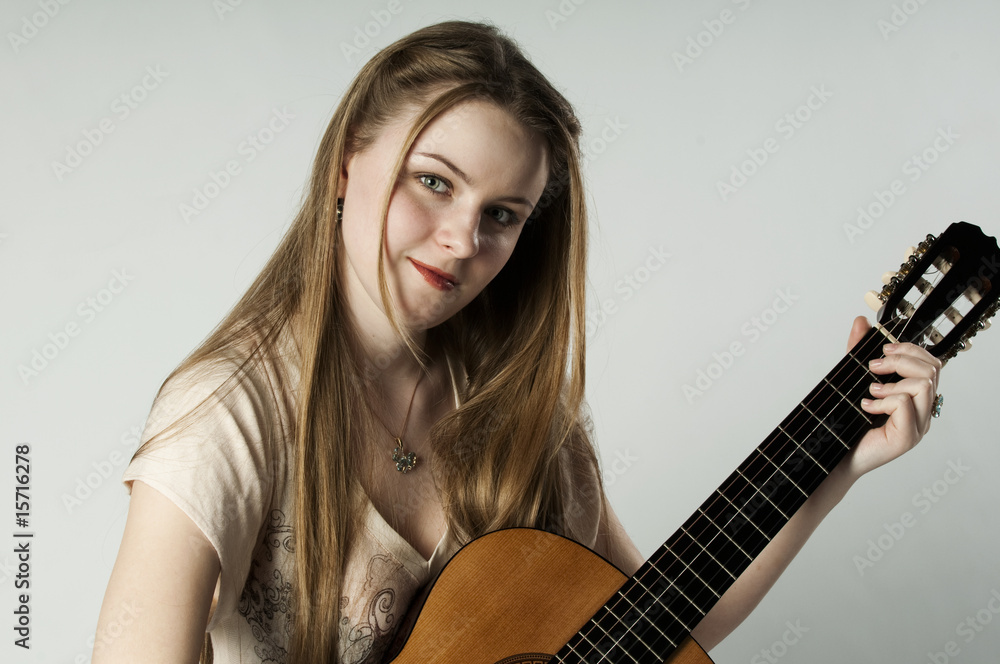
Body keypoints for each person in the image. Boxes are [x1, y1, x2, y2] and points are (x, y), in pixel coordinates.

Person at [92, 20, 941, 664]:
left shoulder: (518, 412)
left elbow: (665, 616)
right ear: (347, 164)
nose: (462, 240)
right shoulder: (227, 414)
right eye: (434, 183)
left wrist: (841, 464)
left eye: (502, 215)